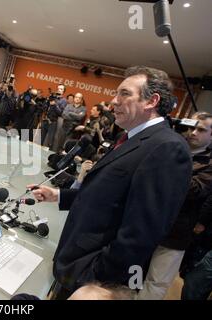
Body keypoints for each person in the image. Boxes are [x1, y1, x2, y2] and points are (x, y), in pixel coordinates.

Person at [29, 66, 192, 299]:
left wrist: (95, 276)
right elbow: (107, 196)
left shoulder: (167, 148)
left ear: (151, 101)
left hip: (93, 282)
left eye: (124, 94)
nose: (113, 101)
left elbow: (140, 234)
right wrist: (59, 195)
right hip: (74, 264)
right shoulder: (128, 138)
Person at [137, 112, 212, 300]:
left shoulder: (208, 164)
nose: (193, 132)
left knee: (156, 282)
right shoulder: (167, 147)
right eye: (189, 127)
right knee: (134, 273)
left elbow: (193, 190)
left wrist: (175, 157)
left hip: (175, 233)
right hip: (145, 224)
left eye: (201, 129)